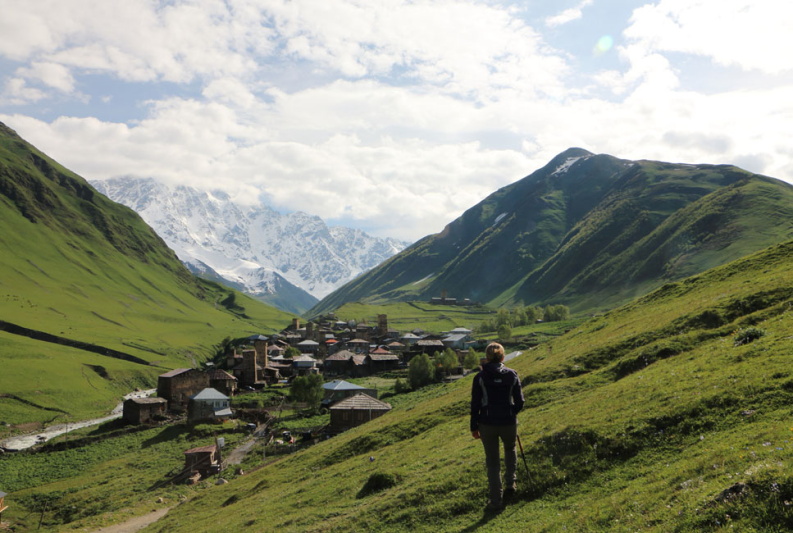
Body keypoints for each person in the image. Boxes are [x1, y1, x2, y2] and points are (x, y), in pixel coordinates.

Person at [470, 342, 525, 511]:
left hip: (487, 423)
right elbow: (520, 401)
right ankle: (511, 483)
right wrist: (511, 411)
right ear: (502, 357)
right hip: (508, 421)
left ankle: (496, 501)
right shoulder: (512, 374)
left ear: (487, 357)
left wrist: (474, 427)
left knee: (493, 462)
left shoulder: (480, 377)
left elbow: (475, 404)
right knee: (510, 449)